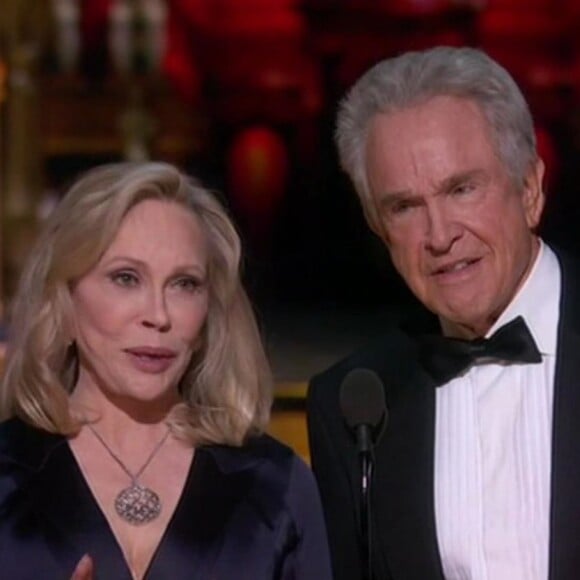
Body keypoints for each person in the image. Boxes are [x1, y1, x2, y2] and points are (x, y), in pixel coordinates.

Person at [307, 46, 580, 580]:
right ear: (376, 226)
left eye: (462, 189)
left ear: (529, 189)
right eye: (405, 207)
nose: (439, 236)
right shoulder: (354, 403)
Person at [0, 161, 333, 580]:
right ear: (63, 302)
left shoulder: (276, 487)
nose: (158, 315)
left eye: (184, 284)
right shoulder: (7, 475)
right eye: (125, 278)